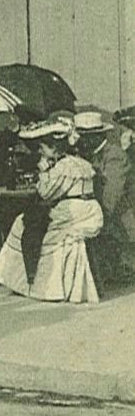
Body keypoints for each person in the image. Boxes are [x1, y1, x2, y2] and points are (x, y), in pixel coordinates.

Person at [0, 132, 103, 303]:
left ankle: (30, 284)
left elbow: (46, 193)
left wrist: (44, 172)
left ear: (54, 149)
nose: (41, 152)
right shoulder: (81, 162)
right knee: (33, 222)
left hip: (74, 211)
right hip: (91, 209)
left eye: (43, 148)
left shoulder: (63, 167)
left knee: (21, 223)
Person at [76, 111, 134, 287]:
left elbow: (111, 196)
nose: (79, 141)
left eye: (83, 137)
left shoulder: (115, 155)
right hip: (105, 214)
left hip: (121, 219)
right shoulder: (90, 154)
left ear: (94, 137)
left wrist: (93, 215)